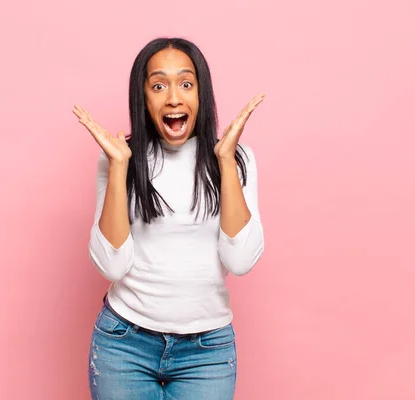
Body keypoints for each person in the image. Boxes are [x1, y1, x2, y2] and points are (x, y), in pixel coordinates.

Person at [73, 37, 265, 400]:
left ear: (201, 94)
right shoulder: (120, 158)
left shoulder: (237, 159)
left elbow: (240, 260)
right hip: (124, 344)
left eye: (186, 84)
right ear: (143, 98)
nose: (173, 98)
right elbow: (111, 266)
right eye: (158, 85)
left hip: (207, 352)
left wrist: (225, 162)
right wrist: (118, 167)